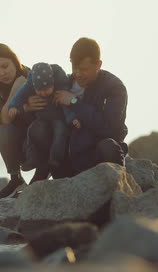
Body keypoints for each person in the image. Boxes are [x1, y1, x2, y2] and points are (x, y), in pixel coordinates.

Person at [29, 37, 129, 178]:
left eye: (84, 69)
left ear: (98, 65)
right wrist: (28, 106)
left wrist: (74, 102)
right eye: (74, 68)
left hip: (97, 155)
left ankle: (119, 190)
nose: (78, 73)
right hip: (69, 157)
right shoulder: (64, 83)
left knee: (108, 146)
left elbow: (109, 128)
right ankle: (41, 173)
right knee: (38, 127)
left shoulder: (114, 88)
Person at [0, 43, 45, 198]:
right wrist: (15, 92)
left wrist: (27, 108)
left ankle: (43, 172)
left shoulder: (32, 76)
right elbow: (4, 121)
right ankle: (15, 178)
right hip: (20, 145)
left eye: (5, 66)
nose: (2, 73)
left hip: (42, 141)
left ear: (14, 61)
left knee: (41, 126)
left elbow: (47, 112)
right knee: (3, 132)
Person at [7, 63, 79, 182]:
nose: (43, 93)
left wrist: (72, 118)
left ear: (53, 84)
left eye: (46, 90)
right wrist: (13, 106)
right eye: (39, 90)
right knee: (32, 132)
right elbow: (20, 95)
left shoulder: (60, 88)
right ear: (34, 87)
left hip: (58, 118)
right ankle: (31, 159)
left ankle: (55, 159)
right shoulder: (30, 84)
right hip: (42, 119)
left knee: (60, 133)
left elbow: (67, 107)